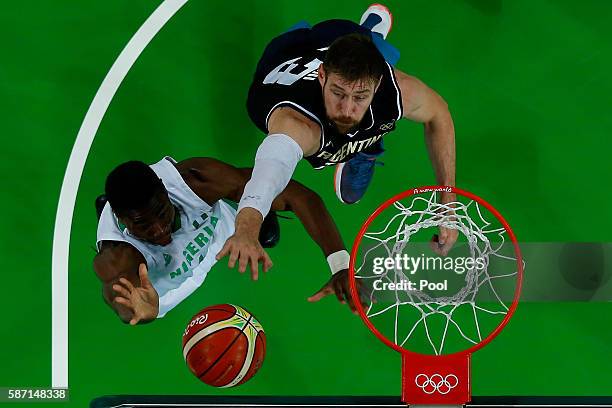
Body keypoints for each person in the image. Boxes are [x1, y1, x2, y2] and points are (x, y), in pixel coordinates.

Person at [218, 4, 458, 278]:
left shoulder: (393, 89)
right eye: (338, 93)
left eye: (359, 97)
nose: (346, 109)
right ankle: (360, 141)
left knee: (368, 51)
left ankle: (363, 142)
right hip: (287, 54)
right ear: (322, 77)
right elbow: (268, 174)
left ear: (378, 86)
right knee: (309, 44)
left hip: (344, 35)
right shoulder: (297, 124)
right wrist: (247, 230)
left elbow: (439, 114)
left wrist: (446, 204)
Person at [94, 156, 360, 325]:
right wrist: (140, 312)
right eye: (142, 225)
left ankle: (254, 212)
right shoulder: (119, 255)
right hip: (166, 288)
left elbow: (303, 197)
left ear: (165, 190)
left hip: (224, 232)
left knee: (260, 199)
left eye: (162, 213)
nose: (159, 230)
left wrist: (340, 265)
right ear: (121, 219)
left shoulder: (195, 181)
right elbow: (119, 297)